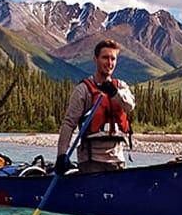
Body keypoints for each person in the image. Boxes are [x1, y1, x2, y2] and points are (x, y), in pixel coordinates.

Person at [56, 39, 136, 174]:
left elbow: (130, 106)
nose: (109, 63)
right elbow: (69, 124)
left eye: (113, 59)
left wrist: (114, 93)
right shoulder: (83, 90)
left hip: (117, 159)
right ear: (95, 59)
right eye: (105, 58)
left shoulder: (121, 86)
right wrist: (61, 155)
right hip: (91, 161)